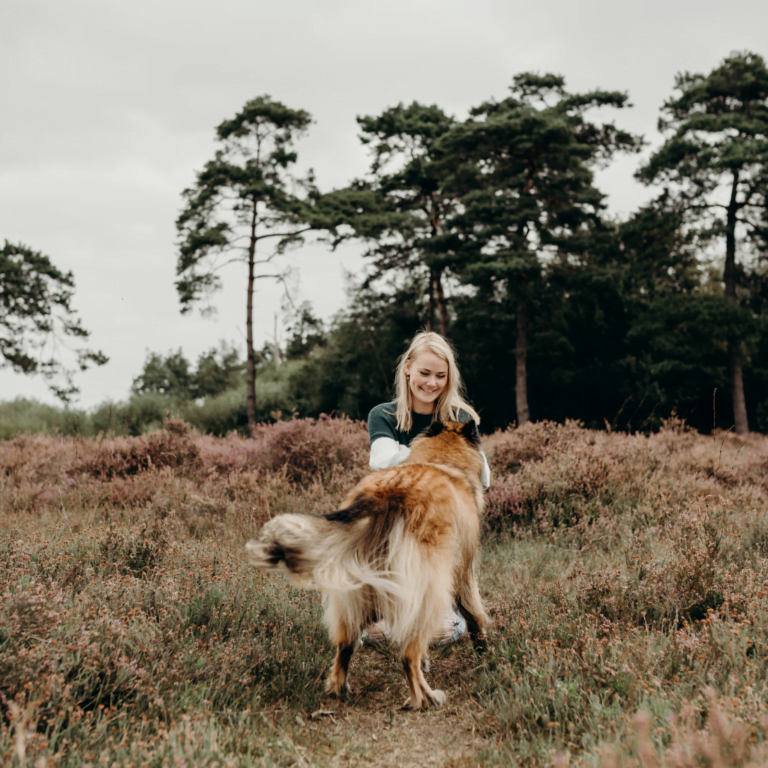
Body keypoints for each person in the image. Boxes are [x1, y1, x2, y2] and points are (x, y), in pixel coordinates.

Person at [364, 330, 491, 646]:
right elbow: (382, 460)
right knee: (376, 634)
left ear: (449, 378)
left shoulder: (459, 416)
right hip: (400, 529)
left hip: (447, 532)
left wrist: (423, 462)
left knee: (440, 634)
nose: (431, 383)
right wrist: (440, 456)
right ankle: (393, 608)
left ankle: (453, 612)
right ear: (407, 367)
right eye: (424, 372)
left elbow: (484, 474)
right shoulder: (384, 414)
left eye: (440, 376)